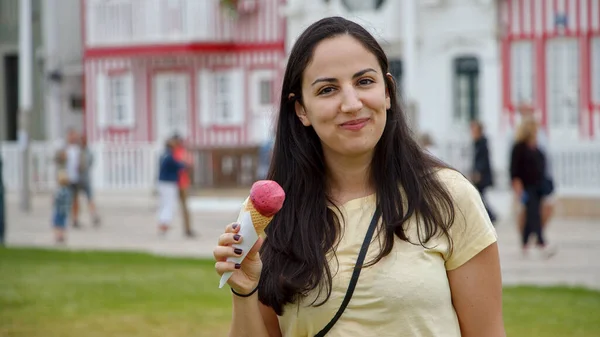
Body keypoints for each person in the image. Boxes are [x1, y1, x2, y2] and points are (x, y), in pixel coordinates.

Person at [213, 17, 504, 337]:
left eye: (365, 82)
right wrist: (244, 288)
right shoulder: (276, 217)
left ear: (388, 92)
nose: (352, 104)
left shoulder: (448, 197)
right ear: (301, 110)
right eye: (327, 89)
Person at [510, 117, 556, 258]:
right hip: (526, 186)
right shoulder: (519, 147)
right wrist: (517, 186)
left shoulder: (536, 146)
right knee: (533, 213)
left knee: (533, 214)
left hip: (539, 186)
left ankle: (525, 243)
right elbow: (514, 169)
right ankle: (541, 242)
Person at [157, 139, 187, 235]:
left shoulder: (163, 155)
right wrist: (184, 162)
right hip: (169, 182)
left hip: (162, 182)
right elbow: (180, 166)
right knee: (169, 204)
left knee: (164, 203)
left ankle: (163, 222)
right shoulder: (170, 157)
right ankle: (164, 223)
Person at [470, 120, 497, 223]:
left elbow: (482, 160)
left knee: (479, 196)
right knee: (480, 196)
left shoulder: (482, 143)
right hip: (480, 174)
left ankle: (490, 215)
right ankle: (490, 215)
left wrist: (478, 172)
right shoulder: (477, 143)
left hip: (482, 176)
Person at [171, 134, 195, 238]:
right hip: (175, 183)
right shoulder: (175, 153)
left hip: (181, 183)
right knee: (171, 206)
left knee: (184, 207)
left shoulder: (180, 153)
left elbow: (189, 165)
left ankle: (187, 229)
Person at [78, 135, 101, 227]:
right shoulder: (76, 151)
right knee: (75, 199)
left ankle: (93, 215)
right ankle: (75, 218)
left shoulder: (88, 152)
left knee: (90, 198)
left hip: (86, 179)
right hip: (77, 179)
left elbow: (90, 163)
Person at [52, 170, 72, 244]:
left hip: (58, 210)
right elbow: (69, 201)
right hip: (65, 211)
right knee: (63, 224)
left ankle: (58, 236)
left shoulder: (59, 191)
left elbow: (55, 200)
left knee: (57, 224)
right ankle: (62, 236)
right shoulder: (68, 191)